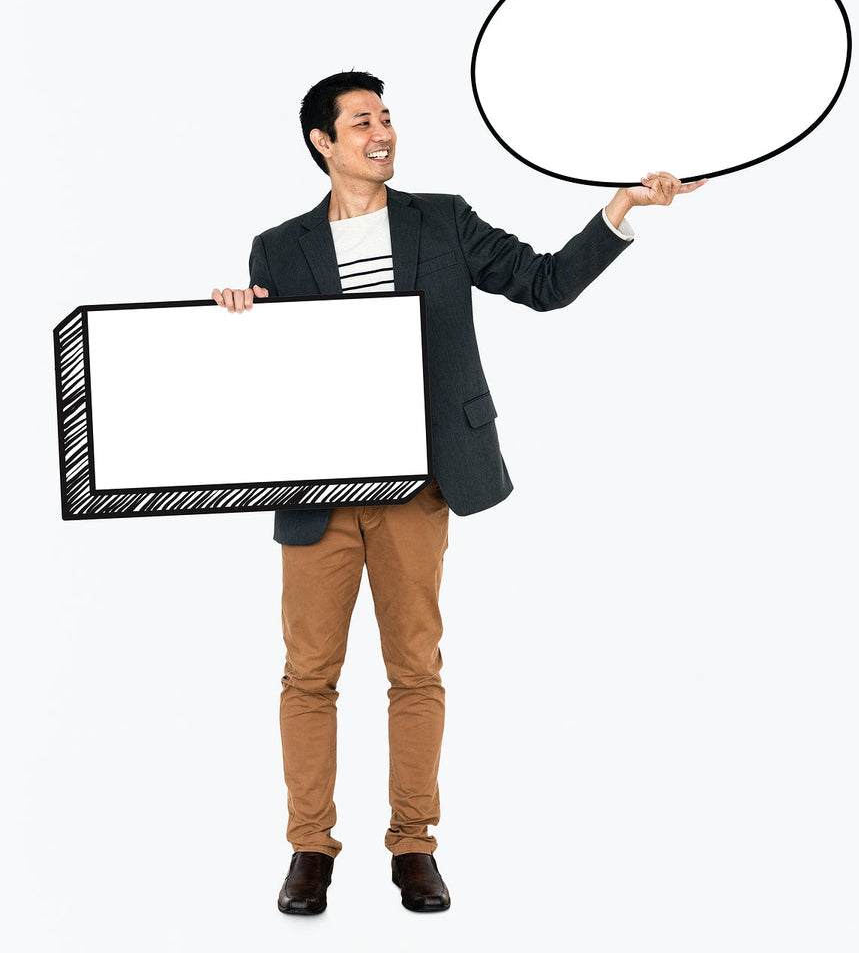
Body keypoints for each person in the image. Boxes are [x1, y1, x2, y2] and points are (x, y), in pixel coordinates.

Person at [212, 71, 705, 915]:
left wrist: (621, 209)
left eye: (389, 118)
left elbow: (546, 284)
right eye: (362, 120)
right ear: (321, 144)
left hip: (419, 481)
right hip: (316, 495)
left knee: (414, 668)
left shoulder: (441, 218)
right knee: (308, 676)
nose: (384, 131)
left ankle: (414, 845)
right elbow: (273, 374)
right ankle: (309, 849)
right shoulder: (277, 245)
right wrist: (235, 315)